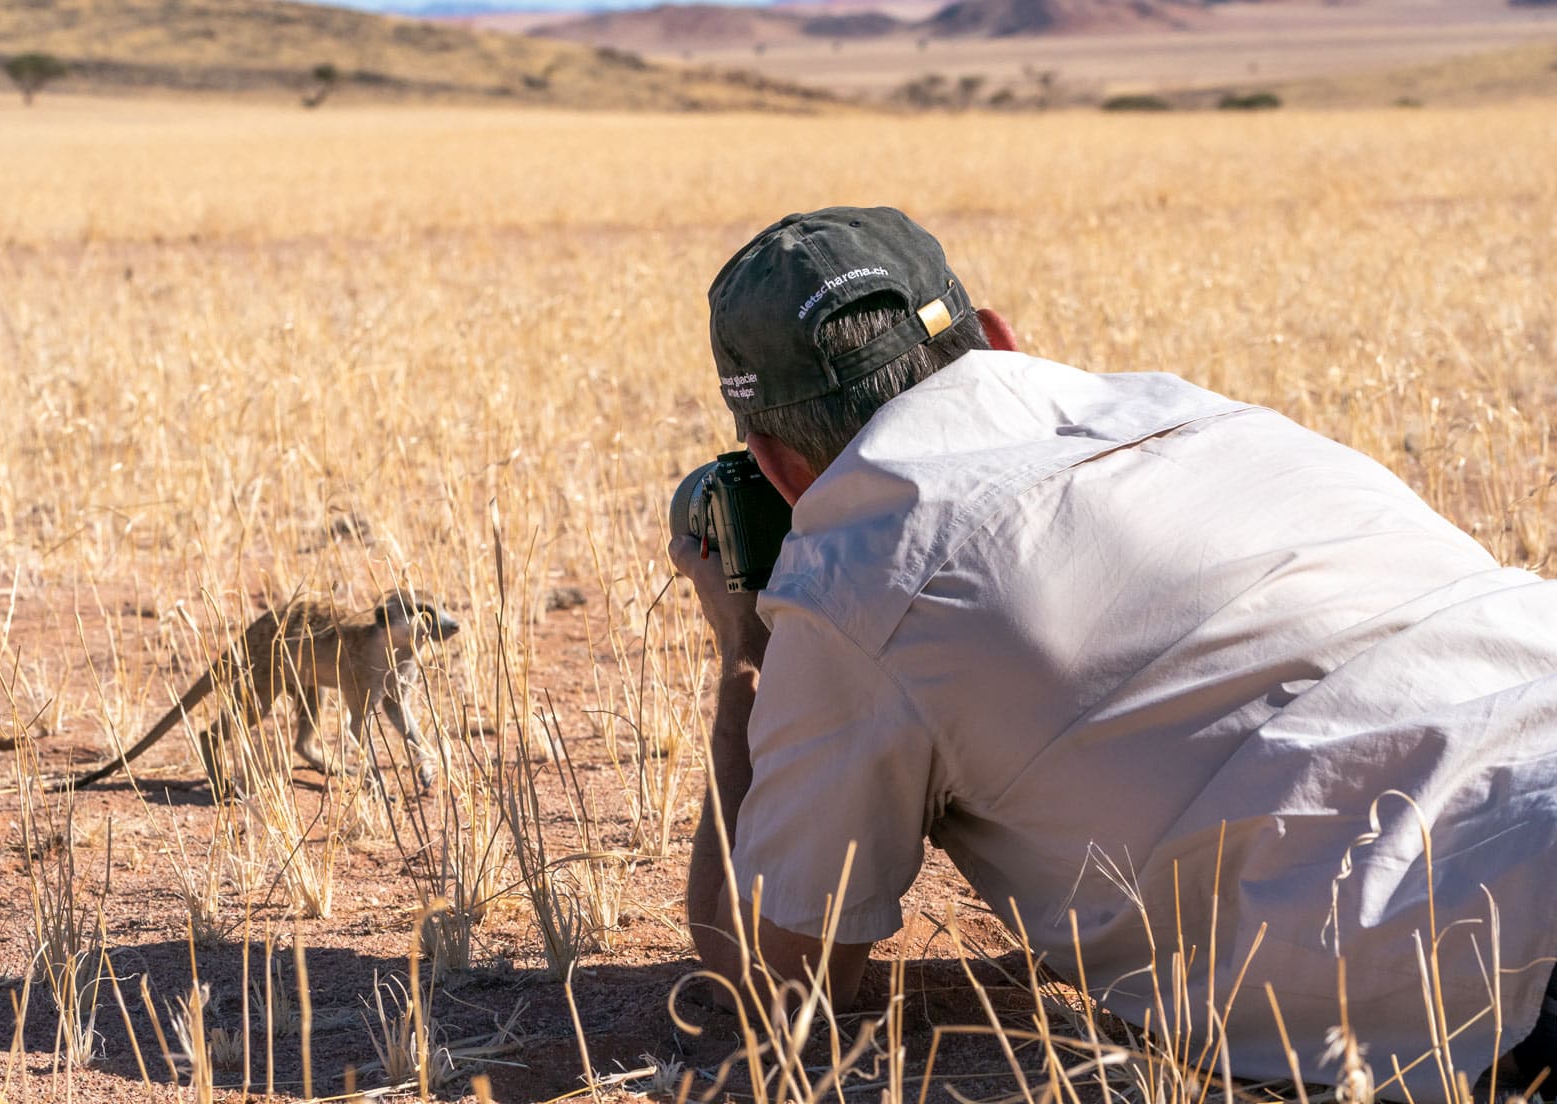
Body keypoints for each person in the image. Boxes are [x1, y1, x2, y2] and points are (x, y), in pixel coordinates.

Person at [667, 205, 1557, 1104]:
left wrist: (746, 649)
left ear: (775, 465)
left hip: (1512, 940)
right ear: (1002, 340)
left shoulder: (861, 579)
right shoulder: (1197, 409)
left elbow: (774, 980)